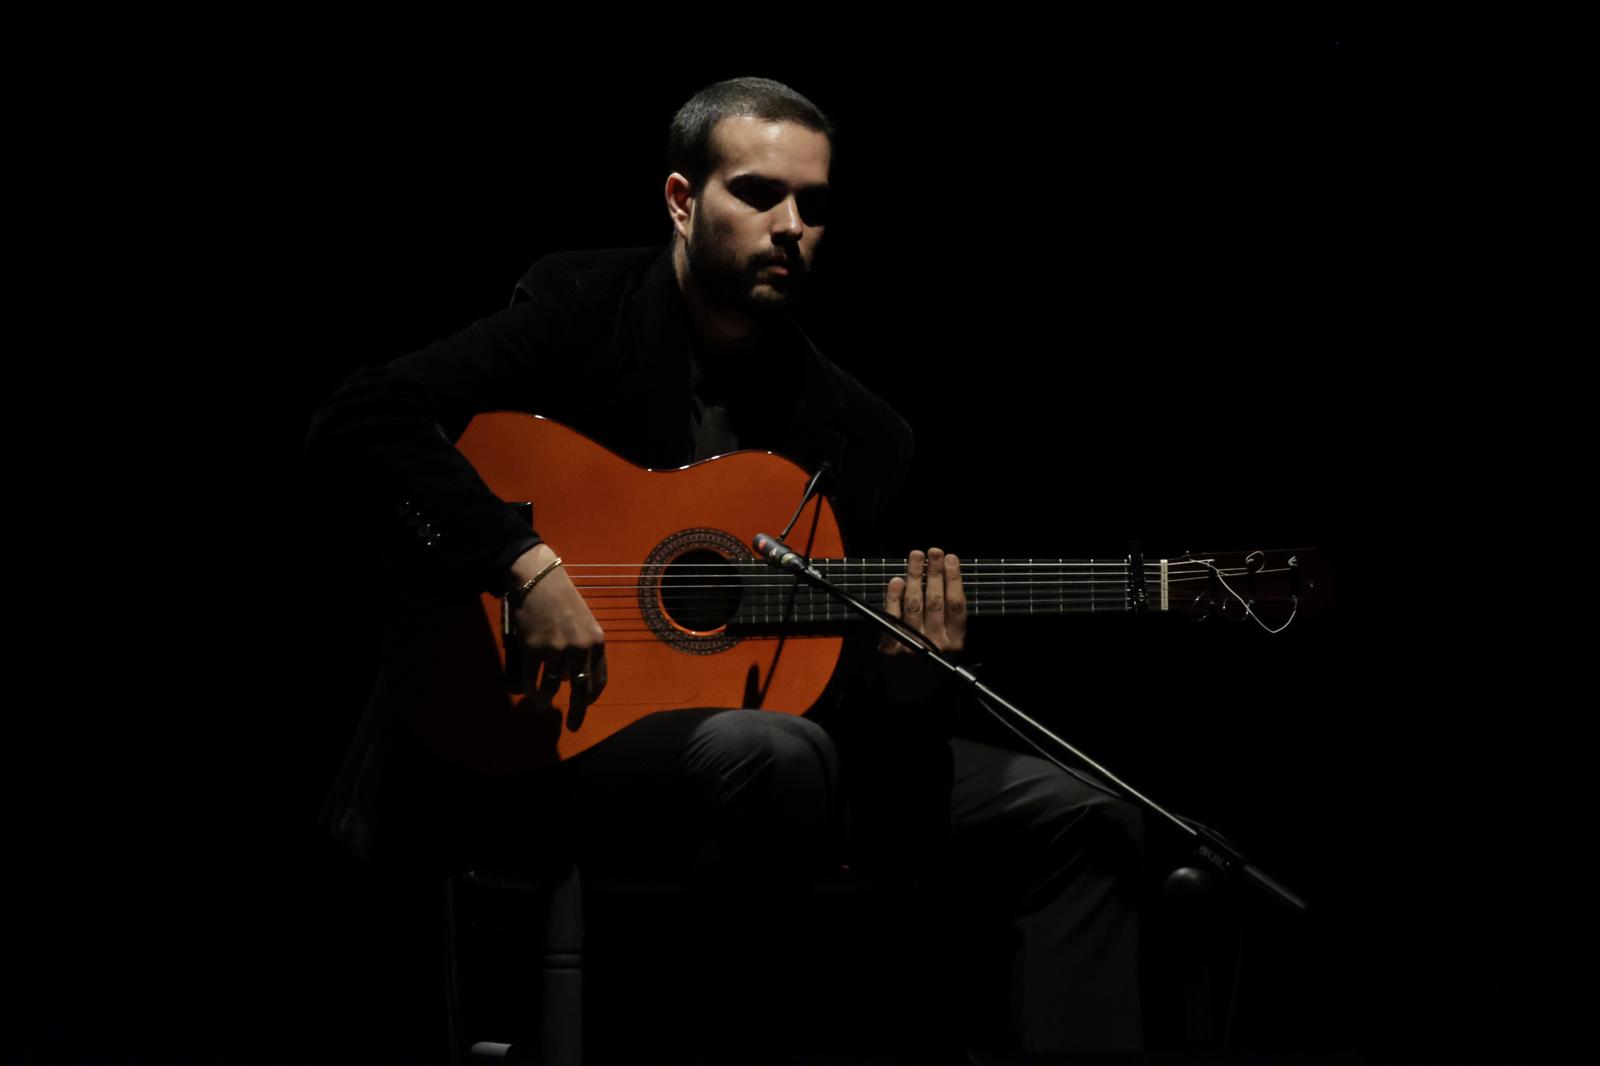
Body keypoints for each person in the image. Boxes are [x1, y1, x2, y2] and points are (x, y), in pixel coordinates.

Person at [307, 77, 1143, 1060]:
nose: (791, 226)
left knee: (1087, 817)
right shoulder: (582, 311)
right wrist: (521, 562)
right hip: (540, 740)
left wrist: (911, 680)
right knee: (775, 754)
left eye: (815, 206)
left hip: (792, 759)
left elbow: (867, 720)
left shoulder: (860, 434)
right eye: (758, 194)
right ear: (679, 199)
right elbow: (359, 418)